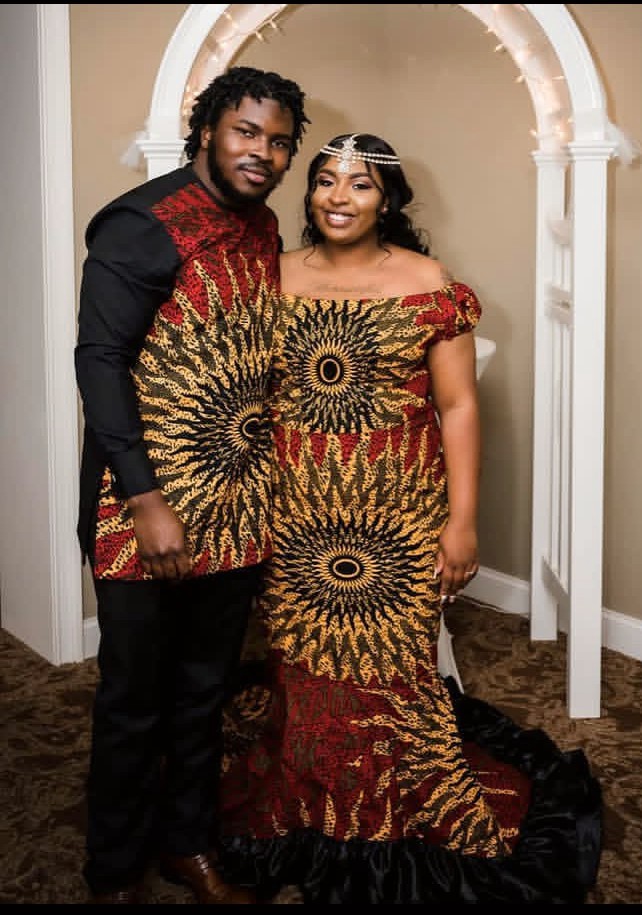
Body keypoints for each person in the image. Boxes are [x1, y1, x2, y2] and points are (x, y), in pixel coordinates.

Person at [217, 133, 603, 903]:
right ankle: (309, 792)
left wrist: (462, 523)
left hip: (398, 518)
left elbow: (458, 408)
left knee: (393, 665)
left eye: (360, 184)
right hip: (297, 514)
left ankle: (395, 795)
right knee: (303, 661)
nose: (338, 196)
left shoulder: (428, 282)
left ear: (387, 200)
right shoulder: (273, 275)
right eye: (326, 180)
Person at [74, 66, 309, 905]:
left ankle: (188, 845)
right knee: (134, 697)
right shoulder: (141, 226)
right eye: (246, 131)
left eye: (278, 141)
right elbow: (99, 362)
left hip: (238, 499)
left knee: (206, 689)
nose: (262, 152)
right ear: (208, 129)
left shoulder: (264, 224)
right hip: (144, 504)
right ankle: (113, 872)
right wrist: (146, 499)